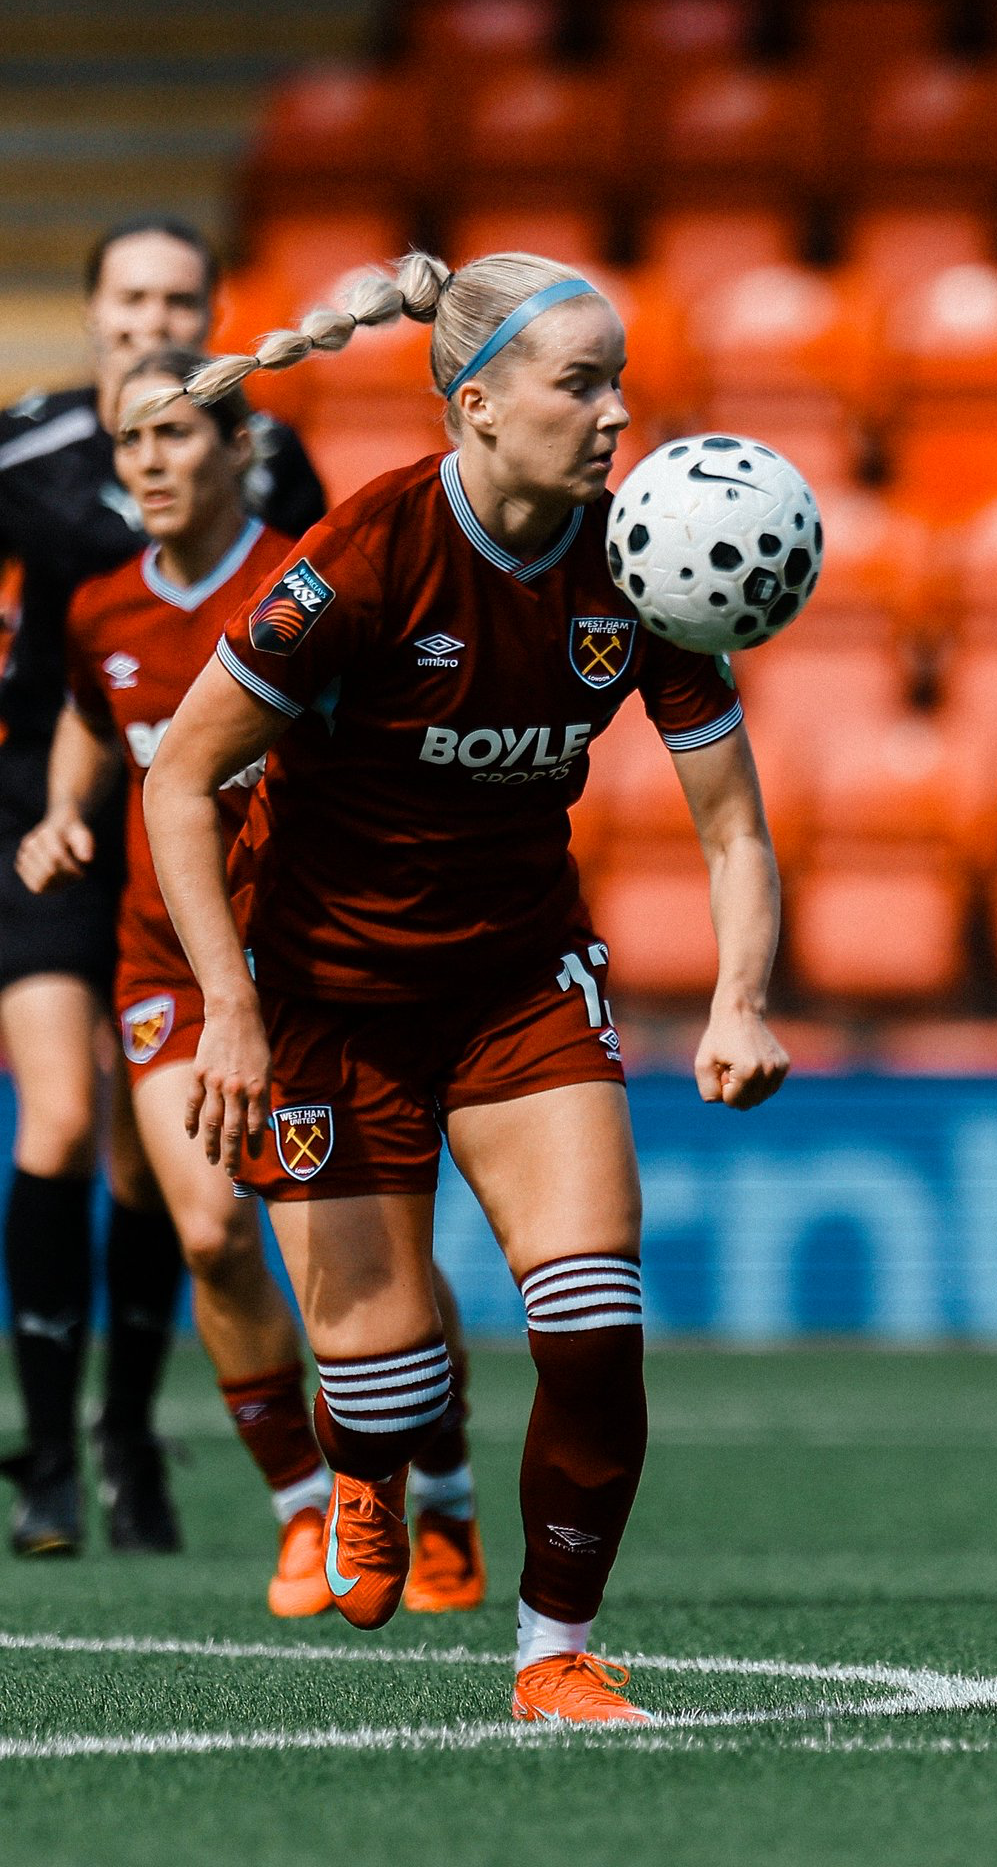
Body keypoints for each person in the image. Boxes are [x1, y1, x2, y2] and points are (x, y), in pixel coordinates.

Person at [141, 249, 787, 1720]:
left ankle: (550, 1651)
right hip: (324, 992)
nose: (619, 412)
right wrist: (227, 1015)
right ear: (478, 406)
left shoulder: (643, 562)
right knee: (379, 1372)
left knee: (594, 1325)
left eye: (619, 381)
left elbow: (735, 827)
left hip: (519, 979)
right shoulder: (362, 558)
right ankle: (362, 1466)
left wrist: (741, 995)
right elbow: (181, 780)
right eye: (582, 384)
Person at [15, 347, 482, 1616]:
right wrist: (65, 810)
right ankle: (299, 1506)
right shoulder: (103, 604)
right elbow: (89, 712)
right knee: (214, 1233)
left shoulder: (307, 580)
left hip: (314, 965)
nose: (148, 463)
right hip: (167, 965)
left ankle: (436, 1484)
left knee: (375, 1260)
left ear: (239, 449)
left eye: (173, 436)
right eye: (129, 441)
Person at [0, 219, 326, 1555]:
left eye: (179, 298)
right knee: (61, 1123)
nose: (153, 317)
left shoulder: (270, 452)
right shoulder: (22, 444)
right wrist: (57, 801)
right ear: (93, 312)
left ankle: (129, 1438)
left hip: (192, 829)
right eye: (130, 296)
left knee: (153, 1166)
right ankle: (47, 1462)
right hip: (45, 810)